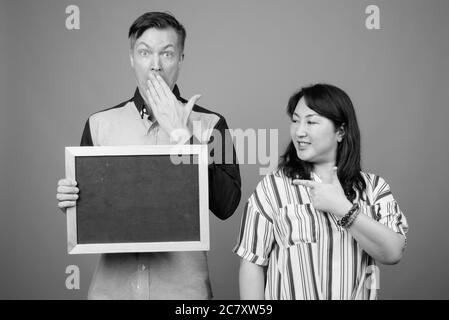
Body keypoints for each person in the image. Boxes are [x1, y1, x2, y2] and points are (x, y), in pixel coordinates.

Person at [56, 12, 241, 300]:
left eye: (167, 54)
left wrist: (183, 136)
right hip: (111, 291)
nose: (155, 65)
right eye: (144, 53)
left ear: (180, 58)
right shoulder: (98, 124)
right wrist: (73, 199)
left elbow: (227, 203)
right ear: (131, 58)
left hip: (185, 295)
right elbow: (91, 214)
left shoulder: (214, 124)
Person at [234, 83, 408, 300]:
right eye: (295, 120)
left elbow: (393, 252)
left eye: (311, 122)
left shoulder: (374, 188)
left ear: (341, 131)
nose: (299, 131)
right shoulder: (273, 187)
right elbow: (251, 264)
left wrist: (342, 208)